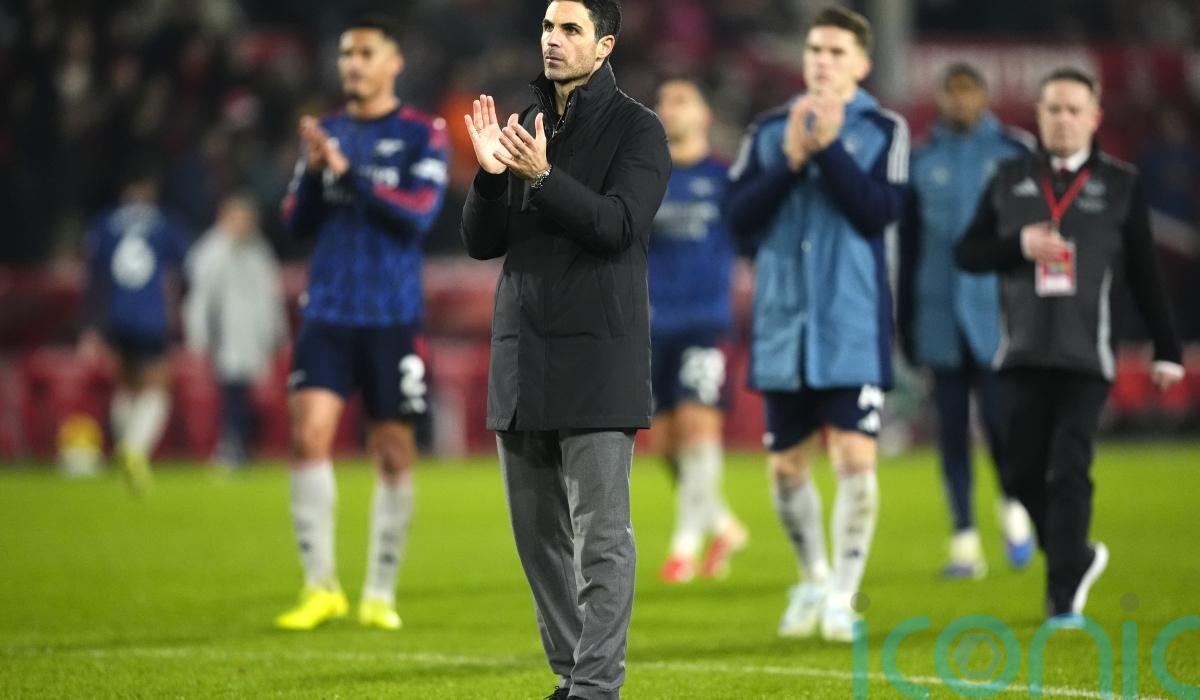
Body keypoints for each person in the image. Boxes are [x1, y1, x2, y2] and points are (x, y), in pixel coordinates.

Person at [459, 1, 669, 697]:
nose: (553, 39)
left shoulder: (639, 130)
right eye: (548, 26)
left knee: (601, 541)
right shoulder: (525, 123)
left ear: (604, 45)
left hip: (598, 360)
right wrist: (491, 176)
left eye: (571, 29)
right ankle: (572, 675)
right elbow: (481, 243)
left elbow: (618, 226)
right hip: (523, 357)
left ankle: (596, 688)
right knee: (537, 540)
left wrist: (544, 180)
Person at [956, 67, 1184, 622]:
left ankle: (1062, 598)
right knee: (1018, 473)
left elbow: (1145, 272)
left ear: (1094, 117)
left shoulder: (1121, 185)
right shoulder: (1008, 178)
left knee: (1069, 468)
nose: (1063, 120)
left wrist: (1168, 349)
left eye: (1074, 110)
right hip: (1021, 351)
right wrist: (1018, 245)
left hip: (1087, 354)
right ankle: (1074, 555)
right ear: (1037, 115)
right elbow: (968, 253)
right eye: (1053, 109)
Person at [724, 5, 908, 643]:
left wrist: (827, 151)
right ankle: (812, 577)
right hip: (783, 324)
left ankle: (842, 597)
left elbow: (878, 211)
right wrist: (791, 160)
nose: (823, 62)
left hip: (850, 322)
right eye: (815, 51)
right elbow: (737, 219)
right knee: (785, 468)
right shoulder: (770, 130)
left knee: (855, 455)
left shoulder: (884, 129)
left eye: (836, 52)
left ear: (862, 63)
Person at [275, 14, 449, 632]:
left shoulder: (422, 133)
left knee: (394, 453)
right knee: (307, 438)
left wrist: (347, 173)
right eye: (346, 53)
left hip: (392, 317)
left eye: (366, 53)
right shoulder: (326, 132)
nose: (352, 63)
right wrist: (316, 171)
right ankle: (320, 585)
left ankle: (379, 591)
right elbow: (294, 223)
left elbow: (419, 214)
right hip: (327, 312)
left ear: (393, 63)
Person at [898, 63, 1035, 580]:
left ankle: (1013, 507)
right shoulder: (921, 160)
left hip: (998, 315)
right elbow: (908, 249)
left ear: (984, 95)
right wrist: (906, 322)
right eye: (952, 92)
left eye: (968, 91)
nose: (960, 100)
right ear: (940, 97)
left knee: (1002, 425)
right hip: (939, 317)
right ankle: (964, 541)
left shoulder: (1014, 154)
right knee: (951, 433)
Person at [648, 78, 748, 584]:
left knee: (697, 427)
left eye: (682, 99)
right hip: (652, 324)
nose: (670, 108)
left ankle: (684, 549)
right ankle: (723, 525)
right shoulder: (646, 177)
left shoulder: (727, 178)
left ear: (706, 115)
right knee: (665, 444)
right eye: (664, 101)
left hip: (706, 323)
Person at [79, 160, 188, 495]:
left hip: (115, 317)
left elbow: (93, 277)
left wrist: (91, 325)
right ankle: (134, 449)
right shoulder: (164, 223)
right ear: (150, 189)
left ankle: (126, 448)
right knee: (157, 388)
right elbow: (184, 268)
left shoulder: (104, 224)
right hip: (150, 317)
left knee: (125, 386)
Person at [184, 194, 287, 470]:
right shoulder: (211, 251)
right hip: (224, 336)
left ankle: (242, 447)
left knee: (250, 396)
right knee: (230, 394)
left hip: (253, 335)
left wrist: (276, 333)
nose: (245, 224)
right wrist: (199, 337)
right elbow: (200, 299)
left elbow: (270, 297)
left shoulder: (259, 250)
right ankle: (229, 447)